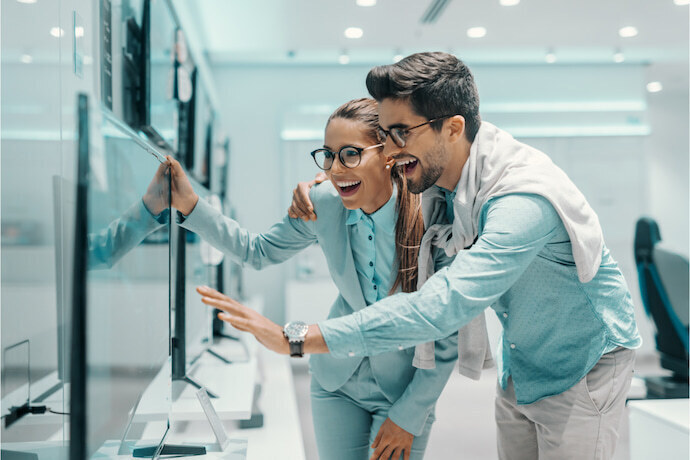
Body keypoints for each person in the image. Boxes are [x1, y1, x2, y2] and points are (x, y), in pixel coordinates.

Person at [200, 52, 642, 460]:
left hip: (585, 363)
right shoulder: (445, 179)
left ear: (451, 127)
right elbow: (365, 181)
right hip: (523, 360)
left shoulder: (522, 201)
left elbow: (443, 304)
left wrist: (298, 337)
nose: (389, 151)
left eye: (399, 134)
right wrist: (327, 182)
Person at [170, 98, 461, 460]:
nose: (336, 169)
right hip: (335, 379)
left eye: (350, 154)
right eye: (329, 155)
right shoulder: (323, 202)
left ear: (389, 154)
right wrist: (190, 205)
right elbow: (257, 252)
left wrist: (409, 415)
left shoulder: (435, 215)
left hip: (405, 387)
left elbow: (448, 336)